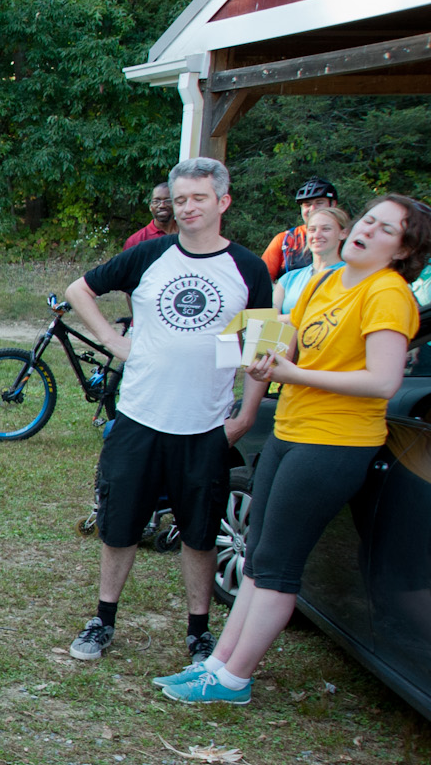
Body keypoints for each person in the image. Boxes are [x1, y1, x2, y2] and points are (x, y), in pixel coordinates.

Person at [160, 196, 431, 705]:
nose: (368, 230)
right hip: (292, 429)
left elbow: (382, 380)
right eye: (369, 219)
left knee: (279, 567)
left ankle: (234, 680)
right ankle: (216, 665)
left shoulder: (387, 293)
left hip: (335, 442)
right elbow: (285, 344)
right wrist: (257, 356)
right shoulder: (326, 281)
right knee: (259, 557)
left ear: (403, 249)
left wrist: (289, 373)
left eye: (385, 229)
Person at [61, 158, 273, 667]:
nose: (188, 207)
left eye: (198, 198)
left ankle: (199, 631)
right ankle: (103, 619)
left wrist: (245, 417)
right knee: (120, 523)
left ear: (222, 201)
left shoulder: (250, 269)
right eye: (180, 200)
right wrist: (112, 340)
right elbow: (78, 290)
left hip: (205, 425)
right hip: (139, 417)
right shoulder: (149, 255)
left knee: (200, 532)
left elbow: (263, 349)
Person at [275, 205, 349, 316]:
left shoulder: (351, 276)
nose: (317, 235)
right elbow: (269, 321)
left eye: (326, 229)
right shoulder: (288, 279)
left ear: (343, 233)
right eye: (312, 230)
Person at [262, 176, 339, 279]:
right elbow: (261, 280)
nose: (313, 209)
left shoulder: (346, 238)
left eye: (319, 203)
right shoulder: (285, 240)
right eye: (307, 204)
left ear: (333, 204)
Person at [122, 183, 176, 249]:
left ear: (176, 204)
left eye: (168, 201)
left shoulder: (187, 234)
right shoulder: (135, 241)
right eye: (156, 201)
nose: (162, 205)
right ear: (150, 206)